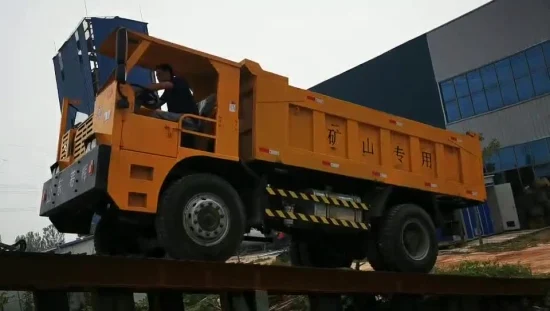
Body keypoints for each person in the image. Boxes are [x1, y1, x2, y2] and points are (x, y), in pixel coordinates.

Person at [135, 63, 199, 146]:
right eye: (157, 75)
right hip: (180, 118)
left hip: (188, 119)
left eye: (159, 74)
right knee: (153, 112)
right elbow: (156, 105)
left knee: (156, 114)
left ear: (167, 72)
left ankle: (153, 141)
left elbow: (164, 85)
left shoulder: (178, 81)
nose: (158, 77)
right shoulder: (168, 91)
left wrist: (139, 89)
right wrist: (144, 101)